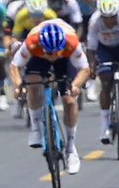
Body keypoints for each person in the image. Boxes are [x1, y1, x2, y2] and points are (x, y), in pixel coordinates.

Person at [9, 19, 91, 175]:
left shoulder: (71, 44)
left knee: (69, 101)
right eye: (49, 52)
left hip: (65, 60)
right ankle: (35, 128)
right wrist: (18, 86)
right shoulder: (32, 42)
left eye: (55, 52)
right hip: (38, 59)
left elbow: (84, 70)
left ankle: (71, 148)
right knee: (32, 85)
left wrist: (75, 86)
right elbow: (15, 66)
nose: (52, 56)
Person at [86, 0, 119, 143]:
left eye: (112, 17)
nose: (109, 21)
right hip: (105, 48)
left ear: (117, 14)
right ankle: (104, 126)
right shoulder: (95, 21)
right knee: (106, 81)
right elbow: (91, 48)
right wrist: (92, 66)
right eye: (106, 18)